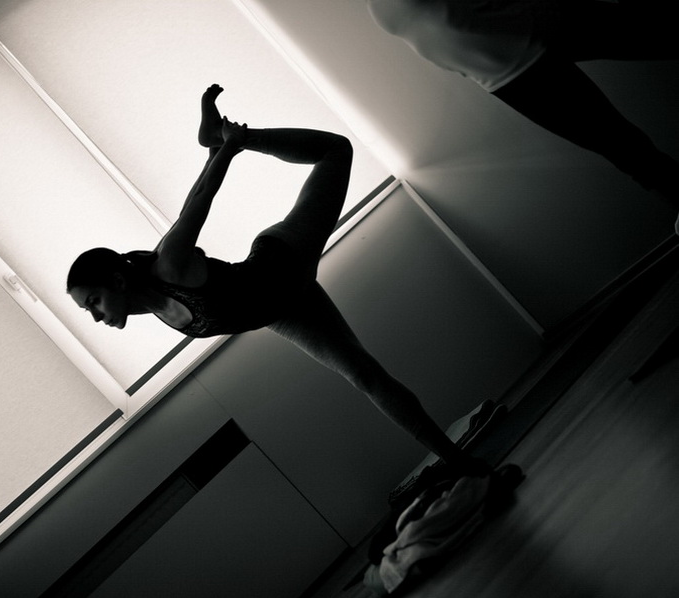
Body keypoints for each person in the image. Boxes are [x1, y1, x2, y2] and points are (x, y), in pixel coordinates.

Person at [67, 84, 487, 476]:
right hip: (283, 309)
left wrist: (232, 148)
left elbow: (199, 201)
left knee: (335, 150)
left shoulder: (169, 267)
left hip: (281, 262)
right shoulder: (152, 300)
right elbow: (190, 205)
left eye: (93, 302)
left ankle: (241, 137)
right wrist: (215, 150)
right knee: (364, 375)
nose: (96, 316)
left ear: (117, 281)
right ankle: (461, 464)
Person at [365, 0, 679, 231]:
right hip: (511, 75)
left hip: (535, 32)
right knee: (627, 151)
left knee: (660, 36)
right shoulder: (376, 7)